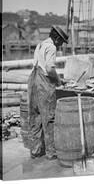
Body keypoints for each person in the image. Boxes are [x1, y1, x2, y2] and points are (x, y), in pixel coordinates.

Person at [28, 26, 68, 159]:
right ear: (56, 38)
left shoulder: (40, 45)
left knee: (36, 116)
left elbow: (39, 64)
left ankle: (36, 150)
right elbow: (50, 69)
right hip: (43, 83)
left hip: (33, 81)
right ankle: (51, 152)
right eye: (61, 42)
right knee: (49, 118)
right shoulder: (51, 47)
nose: (61, 45)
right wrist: (58, 81)